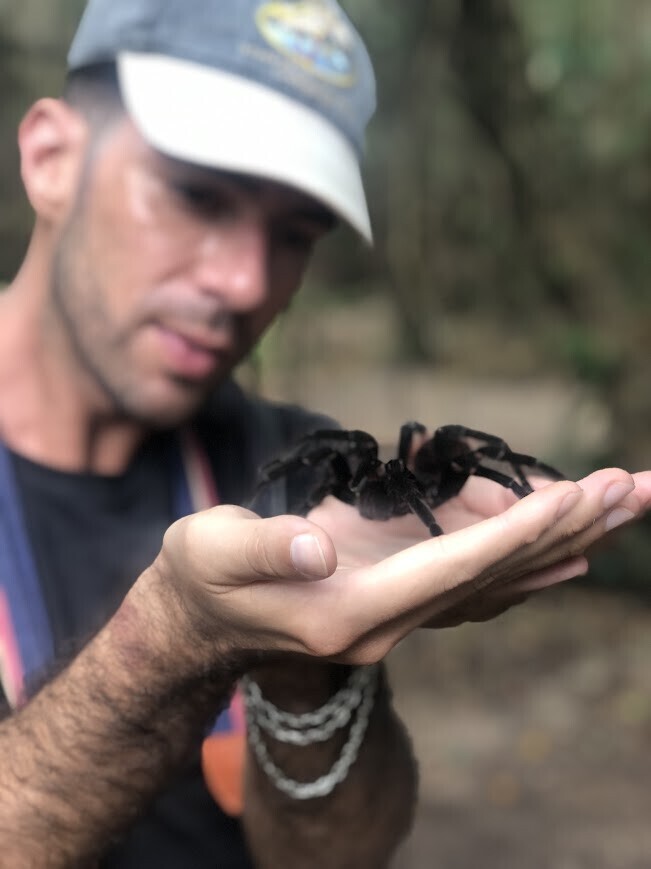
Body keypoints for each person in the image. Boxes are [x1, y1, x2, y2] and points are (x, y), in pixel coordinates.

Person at [0, 0, 649, 866]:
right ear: (51, 159)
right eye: (196, 195)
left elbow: (338, 856)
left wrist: (303, 660)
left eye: (295, 234)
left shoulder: (293, 472)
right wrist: (175, 643)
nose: (244, 281)